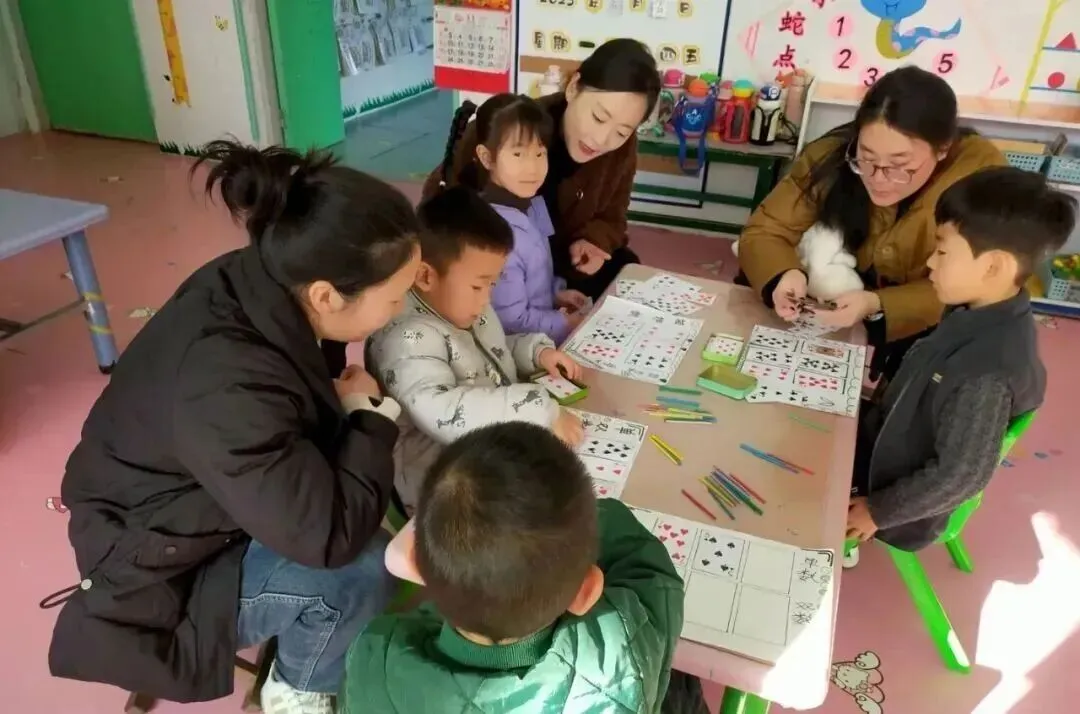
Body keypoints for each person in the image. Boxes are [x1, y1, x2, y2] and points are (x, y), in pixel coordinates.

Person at [42, 140, 421, 714]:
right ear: (325, 294)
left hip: (200, 505)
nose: (401, 310)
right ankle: (295, 692)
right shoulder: (227, 382)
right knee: (362, 571)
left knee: (374, 514)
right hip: (156, 564)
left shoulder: (261, 281)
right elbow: (328, 539)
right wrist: (369, 421)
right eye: (395, 298)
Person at [340, 422, 685, 713]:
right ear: (586, 593)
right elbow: (651, 573)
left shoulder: (374, 658)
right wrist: (585, 518)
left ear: (417, 568)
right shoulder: (620, 650)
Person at [845, 167, 1076, 563]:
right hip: (887, 441)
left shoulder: (987, 374)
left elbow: (961, 475)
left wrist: (877, 512)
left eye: (942, 251)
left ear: (993, 267)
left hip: (887, 490)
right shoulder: (980, 310)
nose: (930, 263)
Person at [737, 66, 1007, 379]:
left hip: (934, 317)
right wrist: (783, 275)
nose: (878, 179)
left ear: (943, 148)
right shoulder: (832, 154)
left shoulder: (982, 179)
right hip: (843, 293)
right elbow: (766, 230)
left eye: (899, 165)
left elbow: (982, 285)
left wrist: (879, 304)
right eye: (866, 158)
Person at [366, 187, 585, 515]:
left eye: (492, 284)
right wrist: (539, 410)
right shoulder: (405, 337)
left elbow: (490, 354)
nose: (486, 298)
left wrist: (534, 353)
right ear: (425, 276)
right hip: (442, 491)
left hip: (485, 454)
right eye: (478, 285)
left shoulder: (463, 306)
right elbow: (442, 410)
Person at [424, 38, 662, 301]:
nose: (601, 139)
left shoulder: (622, 150)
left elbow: (613, 217)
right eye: (598, 117)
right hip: (501, 261)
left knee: (625, 269)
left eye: (622, 132)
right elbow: (447, 209)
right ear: (574, 87)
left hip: (562, 260)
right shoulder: (512, 127)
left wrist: (592, 241)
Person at [441, 92, 589, 343]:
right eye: (518, 154)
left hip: (541, 334)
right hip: (516, 349)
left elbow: (535, 273)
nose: (532, 168)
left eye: (540, 154)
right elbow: (510, 321)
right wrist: (565, 323)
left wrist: (556, 294)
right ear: (487, 157)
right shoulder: (492, 233)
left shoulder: (533, 203)